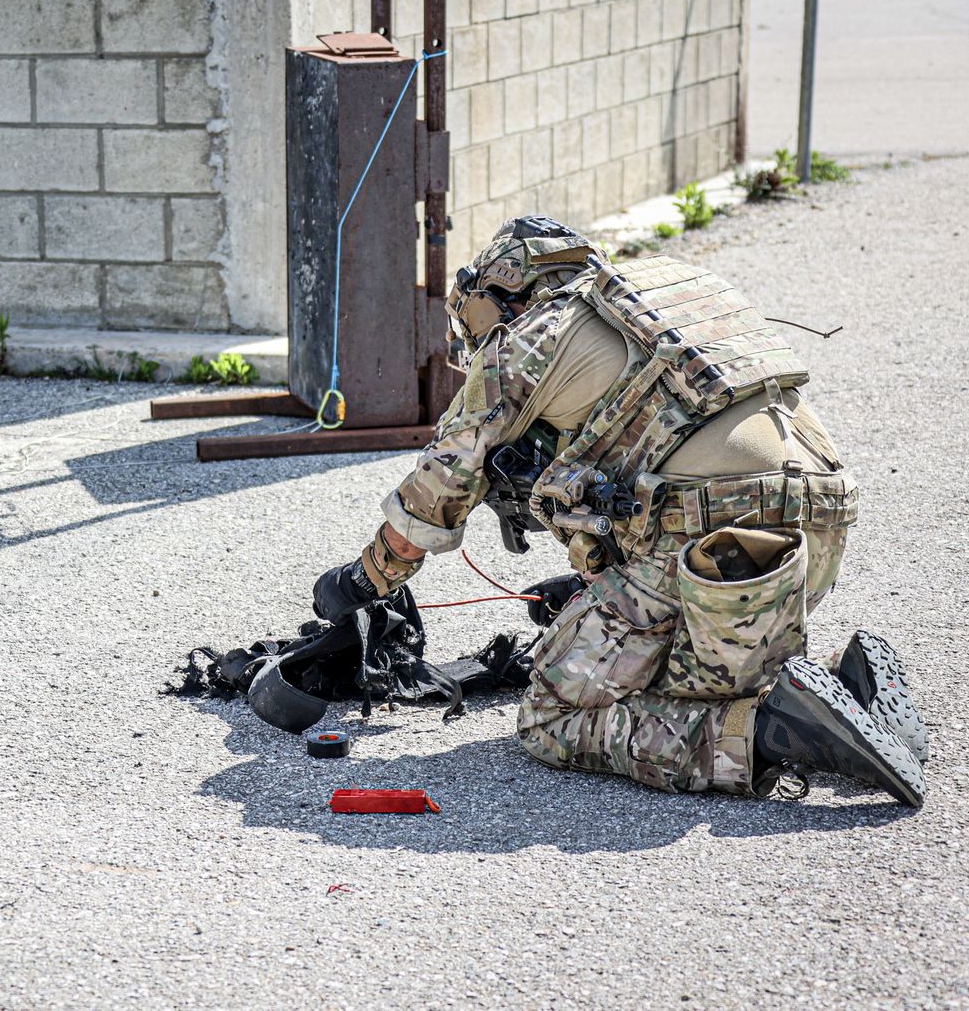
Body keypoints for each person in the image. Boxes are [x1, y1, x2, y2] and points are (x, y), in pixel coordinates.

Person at [313, 216, 928, 806]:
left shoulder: (526, 341)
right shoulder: (665, 294)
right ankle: (850, 689)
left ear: (499, 291)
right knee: (690, 682)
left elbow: (433, 496)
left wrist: (364, 578)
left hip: (710, 545)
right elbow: (659, 441)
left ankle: (769, 730)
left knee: (552, 717)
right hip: (819, 526)